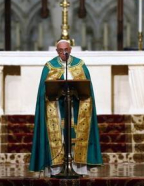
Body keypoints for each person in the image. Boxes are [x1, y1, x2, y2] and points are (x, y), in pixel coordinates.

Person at [29, 39, 102, 175]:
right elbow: (43, 92)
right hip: (56, 108)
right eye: (61, 51)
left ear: (70, 50)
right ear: (57, 51)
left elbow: (87, 89)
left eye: (66, 50)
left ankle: (77, 167)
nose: (64, 53)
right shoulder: (49, 66)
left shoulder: (80, 65)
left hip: (76, 107)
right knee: (60, 136)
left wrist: (76, 91)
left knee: (75, 134)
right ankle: (57, 168)